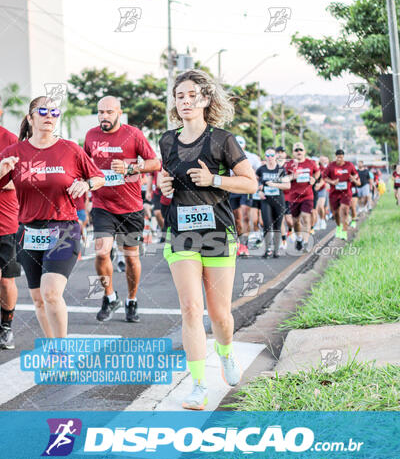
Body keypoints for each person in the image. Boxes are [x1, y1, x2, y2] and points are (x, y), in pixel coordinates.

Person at [159, 70, 257, 410]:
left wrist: (214, 178)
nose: (185, 101)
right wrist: (164, 186)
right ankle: (198, 385)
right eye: (179, 96)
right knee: (190, 309)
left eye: (191, 95)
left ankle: (226, 353)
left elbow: (250, 184)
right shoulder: (167, 141)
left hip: (217, 232)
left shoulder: (222, 140)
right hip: (181, 232)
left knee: (220, 315)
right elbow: (166, 180)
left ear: (205, 100)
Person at [0, 96, 104, 338]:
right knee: (38, 298)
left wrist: (87, 184)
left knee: (50, 292)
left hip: (63, 229)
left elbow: (99, 177)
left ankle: (62, 352)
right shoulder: (14, 152)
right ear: (30, 117)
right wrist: (2, 169)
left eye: (54, 112)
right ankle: (53, 348)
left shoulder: (70, 149)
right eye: (43, 111)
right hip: (27, 231)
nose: (49, 116)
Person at [84, 96, 160, 323]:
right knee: (101, 252)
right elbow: (84, 164)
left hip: (130, 207)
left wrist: (130, 168)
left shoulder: (133, 134)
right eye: (100, 112)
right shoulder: (91, 136)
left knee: (131, 258)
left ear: (119, 112)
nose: (103, 116)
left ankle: (132, 300)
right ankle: (110, 296)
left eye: (108, 112)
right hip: (102, 204)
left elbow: (154, 163)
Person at [0, 125, 21, 349]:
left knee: (6, 280)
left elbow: (23, 179)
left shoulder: (10, 140)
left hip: (4, 222)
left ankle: (6, 326)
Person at [284, 142, 319, 251]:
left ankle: (305, 241)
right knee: (295, 221)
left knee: (306, 217)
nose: (299, 152)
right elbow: (283, 179)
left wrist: (314, 179)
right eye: (296, 150)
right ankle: (299, 238)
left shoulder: (311, 163)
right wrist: (292, 176)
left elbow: (317, 173)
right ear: (293, 153)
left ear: (304, 151)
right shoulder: (289, 164)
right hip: (293, 197)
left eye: (301, 150)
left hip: (307, 195)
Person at [229, 136, 260, 256]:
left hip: (245, 190)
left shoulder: (251, 157)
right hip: (232, 190)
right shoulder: (227, 156)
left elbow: (260, 171)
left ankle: (244, 245)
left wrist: (251, 177)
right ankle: (239, 243)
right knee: (236, 218)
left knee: (244, 215)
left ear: (244, 146)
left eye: (240, 144)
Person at [256, 147, 290, 258]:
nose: (270, 158)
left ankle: (276, 250)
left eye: (272, 155)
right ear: (265, 157)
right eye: (267, 155)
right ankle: (267, 249)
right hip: (266, 200)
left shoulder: (280, 170)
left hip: (278, 200)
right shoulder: (261, 169)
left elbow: (287, 185)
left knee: (277, 226)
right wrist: (259, 191)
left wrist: (274, 185)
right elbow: (254, 182)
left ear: (276, 156)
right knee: (267, 224)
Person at [323, 149, 360, 240]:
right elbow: (324, 177)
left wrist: (353, 178)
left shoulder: (349, 165)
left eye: (341, 157)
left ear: (343, 157)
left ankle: (344, 232)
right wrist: (332, 181)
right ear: (335, 157)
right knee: (335, 213)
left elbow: (355, 175)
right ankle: (338, 226)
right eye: (338, 157)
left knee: (345, 210)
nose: (339, 159)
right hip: (334, 193)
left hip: (346, 193)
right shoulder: (331, 165)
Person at [276, 146, 292, 248]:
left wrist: (287, 178)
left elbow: (294, 177)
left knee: (289, 220)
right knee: (280, 219)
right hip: (277, 196)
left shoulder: (290, 165)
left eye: (282, 152)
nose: (280, 154)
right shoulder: (272, 165)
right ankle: (284, 240)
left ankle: (291, 230)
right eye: (278, 152)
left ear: (285, 154)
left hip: (289, 196)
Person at [313, 156, 329, 230]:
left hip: (322, 189)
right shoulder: (310, 169)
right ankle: (317, 222)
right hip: (313, 190)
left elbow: (324, 179)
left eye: (316, 161)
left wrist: (319, 185)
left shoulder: (323, 169)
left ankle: (322, 220)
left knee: (320, 206)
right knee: (314, 209)